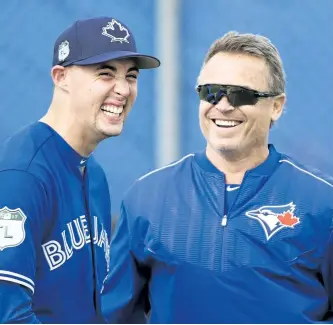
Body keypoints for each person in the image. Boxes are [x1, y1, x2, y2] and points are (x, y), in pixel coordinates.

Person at [101, 31, 333, 323]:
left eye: (242, 94)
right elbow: (116, 315)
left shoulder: (323, 202)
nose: (223, 105)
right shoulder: (147, 197)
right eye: (211, 91)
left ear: (276, 106)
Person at [0, 16, 159, 323]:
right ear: (61, 77)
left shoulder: (94, 174)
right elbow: (7, 314)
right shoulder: (23, 173)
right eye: (105, 73)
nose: (123, 89)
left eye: (131, 76)